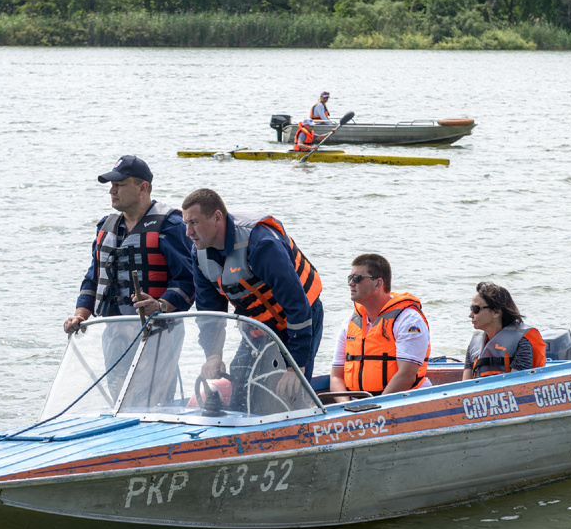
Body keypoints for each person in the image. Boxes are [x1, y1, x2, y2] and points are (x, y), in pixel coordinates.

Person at [181, 188, 324, 400]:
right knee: (240, 393)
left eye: (194, 222)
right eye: (186, 223)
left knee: (290, 394)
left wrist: (295, 366)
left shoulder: (261, 244)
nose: (188, 232)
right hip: (259, 327)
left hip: (300, 319)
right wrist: (213, 355)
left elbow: (297, 305)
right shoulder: (199, 253)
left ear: (217, 217)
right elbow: (209, 312)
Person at [65, 155, 195, 334]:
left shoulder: (170, 226)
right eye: (112, 185)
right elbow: (94, 277)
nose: (112, 190)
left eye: (119, 184)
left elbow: (188, 280)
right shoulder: (105, 227)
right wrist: (80, 315)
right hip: (112, 330)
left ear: (143, 188)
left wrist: (160, 305)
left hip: (159, 331)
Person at [329, 254, 432, 398]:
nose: (351, 283)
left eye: (357, 278)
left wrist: (377, 407)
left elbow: (407, 375)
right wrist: (345, 405)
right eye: (349, 278)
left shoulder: (409, 321)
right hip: (356, 405)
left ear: (378, 283)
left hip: (403, 400)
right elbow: (336, 376)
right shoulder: (349, 323)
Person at [462, 282, 547, 380]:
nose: (470, 315)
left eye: (475, 309)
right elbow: (465, 384)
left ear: (496, 312)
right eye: (471, 309)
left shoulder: (521, 341)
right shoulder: (474, 344)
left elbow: (517, 384)